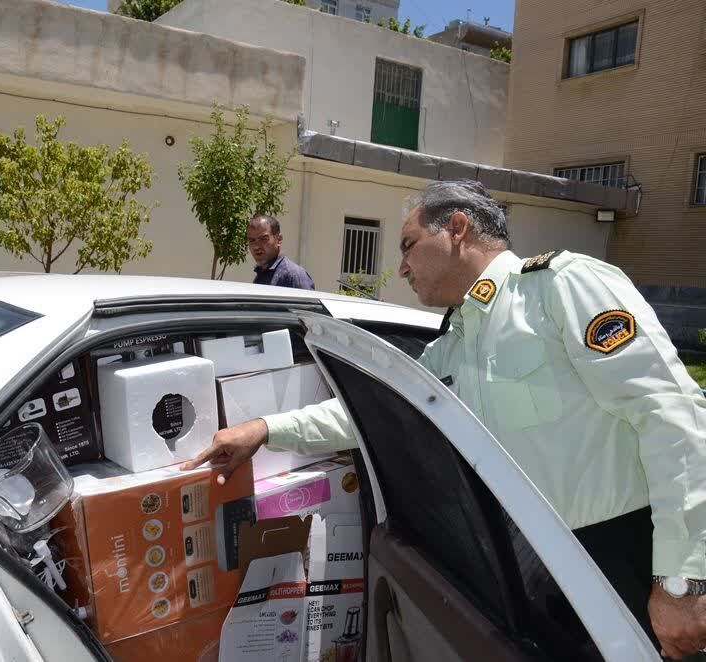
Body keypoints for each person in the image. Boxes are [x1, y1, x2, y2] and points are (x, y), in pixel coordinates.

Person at [186, 180, 706, 659]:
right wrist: (265, 430)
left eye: (408, 245)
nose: (401, 269)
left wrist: (682, 581)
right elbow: (372, 410)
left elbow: (672, 418)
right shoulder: (455, 345)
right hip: (541, 570)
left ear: (457, 229)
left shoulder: (559, 290)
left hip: (629, 557)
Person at [248, 214, 315, 290]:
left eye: (263, 239)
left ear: (279, 239)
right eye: (252, 240)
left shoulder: (293, 276)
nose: (256, 246)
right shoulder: (261, 272)